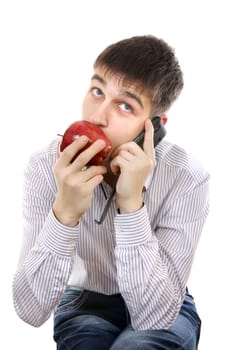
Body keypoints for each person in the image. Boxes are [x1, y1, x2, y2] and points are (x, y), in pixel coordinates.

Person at [12, 35, 209, 350]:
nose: (97, 116)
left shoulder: (186, 177)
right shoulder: (44, 166)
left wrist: (132, 205)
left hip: (166, 301)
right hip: (83, 302)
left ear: (154, 125)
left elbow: (155, 316)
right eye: (97, 91)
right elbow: (30, 310)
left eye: (125, 105)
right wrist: (64, 213)